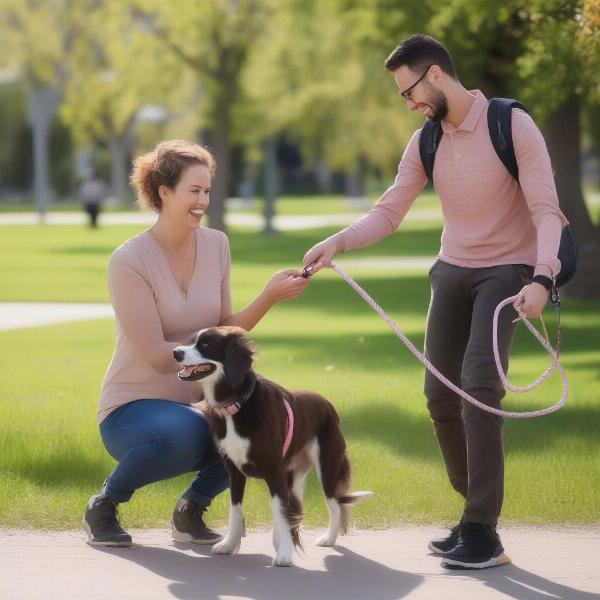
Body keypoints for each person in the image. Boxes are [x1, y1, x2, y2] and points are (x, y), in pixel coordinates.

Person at [303, 34, 567, 570]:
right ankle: (475, 511)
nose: (410, 104)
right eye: (404, 97)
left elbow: (546, 211)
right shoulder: (427, 140)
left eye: (411, 92)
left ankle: (481, 530)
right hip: (452, 271)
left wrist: (542, 278)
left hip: (508, 271)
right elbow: (389, 211)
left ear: (437, 75)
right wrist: (339, 241)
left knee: (478, 385)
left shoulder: (511, 125)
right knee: (439, 397)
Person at [84, 139, 309, 547]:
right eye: (194, 190)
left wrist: (270, 295)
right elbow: (155, 356)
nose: (203, 199)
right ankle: (104, 504)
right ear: (164, 192)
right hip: (131, 409)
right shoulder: (129, 260)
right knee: (193, 429)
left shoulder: (216, 244)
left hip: (200, 404)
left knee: (250, 423)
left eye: (207, 190)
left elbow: (224, 330)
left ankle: (191, 509)